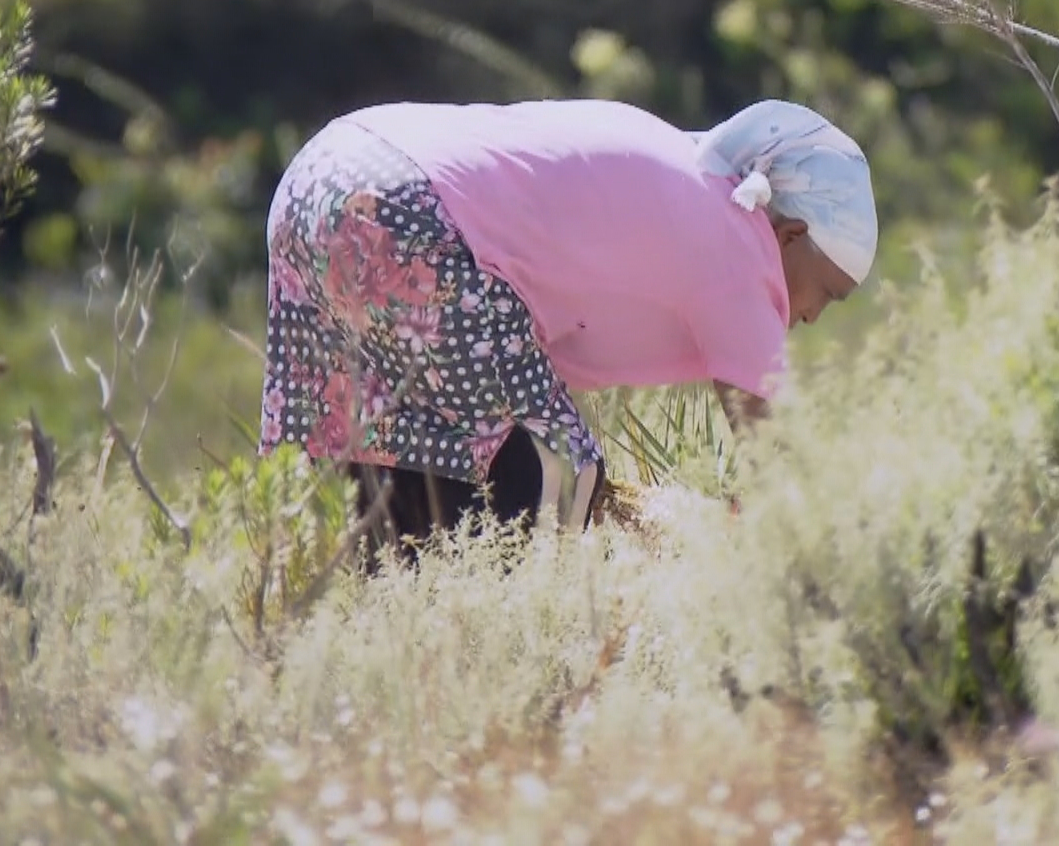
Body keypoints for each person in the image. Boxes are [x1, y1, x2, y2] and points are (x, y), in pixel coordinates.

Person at [256, 96, 878, 566]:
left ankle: (386, 664)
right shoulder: (741, 247)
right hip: (408, 212)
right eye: (828, 292)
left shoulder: (682, 167)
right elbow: (781, 467)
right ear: (791, 236)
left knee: (403, 473)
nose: (815, 315)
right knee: (554, 487)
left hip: (320, 178)